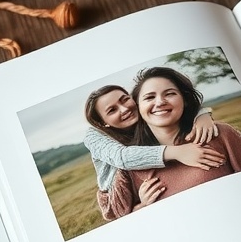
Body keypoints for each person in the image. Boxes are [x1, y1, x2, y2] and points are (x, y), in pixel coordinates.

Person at [105, 66, 241, 218]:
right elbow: (122, 221)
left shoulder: (218, 134)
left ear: (184, 100)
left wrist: (202, 112)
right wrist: (142, 208)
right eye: (149, 97)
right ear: (137, 107)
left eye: (170, 93)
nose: (160, 102)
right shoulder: (131, 164)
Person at [84, 83, 221, 219]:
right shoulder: (93, 136)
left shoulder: (143, 117)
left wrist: (202, 115)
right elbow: (122, 157)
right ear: (103, 123)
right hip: (124, 201)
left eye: (125, 99)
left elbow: (174, 108)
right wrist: (178, 152)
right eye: (112, 110)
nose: (124, 109)